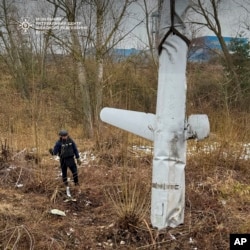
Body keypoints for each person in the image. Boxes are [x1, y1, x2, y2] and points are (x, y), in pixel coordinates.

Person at [49, 130, 81, 196]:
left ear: (67, 135)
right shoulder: (58, 143)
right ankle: (65, 183)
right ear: (60, 136)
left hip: (71, 159)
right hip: (63, 160)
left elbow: (75, 149)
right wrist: (51, 152)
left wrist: (77, 157)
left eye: (65, 136)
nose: (64, 137)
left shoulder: (71, 141)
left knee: (74, 171)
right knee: (64, 172)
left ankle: (76, 183)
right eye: (63, 136)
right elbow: (55, 152)